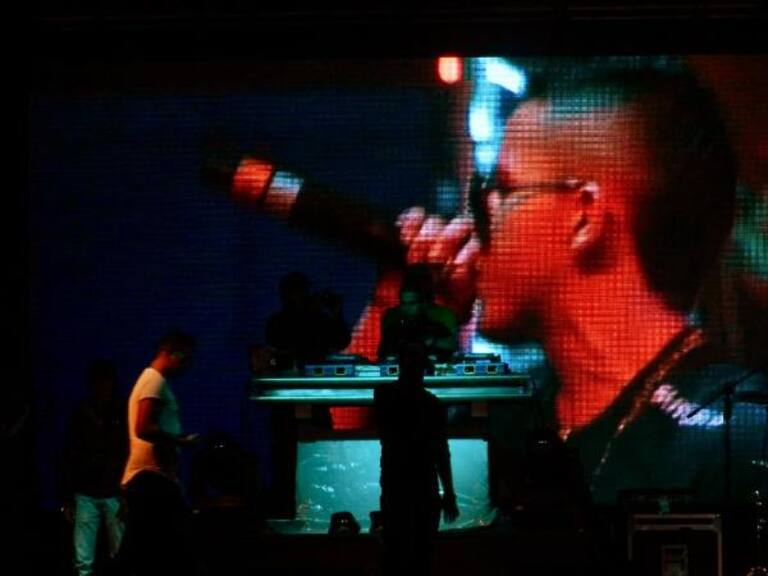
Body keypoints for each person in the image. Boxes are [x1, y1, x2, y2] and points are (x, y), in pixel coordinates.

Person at [467, 67, 767, 504]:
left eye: (502, 189)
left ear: (584, 216)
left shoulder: (736, 444)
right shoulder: (510, 420)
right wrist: (399, 309)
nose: (478, 218)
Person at [118, 330, 199, 576]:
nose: (186, 366)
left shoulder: (152, 380)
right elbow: (143, 427)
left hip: (153, 479)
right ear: (170, 353)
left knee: (148, 551)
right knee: (167, 547)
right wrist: (179, 440)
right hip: (149, 479)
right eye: (185, 359)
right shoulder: (154, 380)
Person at [374, 341, 459, 575]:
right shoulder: (432, 404)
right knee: (421, 549)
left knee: (397, 547)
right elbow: (441, 452)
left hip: (398, 479)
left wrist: (448, 493)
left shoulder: (384, 395)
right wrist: (449, 493)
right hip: (420, 480)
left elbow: (440, 450)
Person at [62, 359, 127, 576]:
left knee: (112, 555)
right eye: (100, 382)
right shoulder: (83, 413)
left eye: (105, 381)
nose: (103, 386)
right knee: (85, 559)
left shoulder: (118, 412)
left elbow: (126, 452)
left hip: (110, 490)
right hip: (89, 491)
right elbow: (70, 455)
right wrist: (68, 496)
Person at [265, 271, 351, 369]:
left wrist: (336, 315)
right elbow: (282, 345)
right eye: (301, 291)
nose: (307, 294)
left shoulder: (321, 320)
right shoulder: (277, 322)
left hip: (319, 373)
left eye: (307, 290)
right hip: (291, 373)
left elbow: (341, 343)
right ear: (288, 295)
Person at [377, 263, 459, 362]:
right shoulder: (392, 322)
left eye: (412, 303)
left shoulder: (441, 320)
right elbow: (383, 354)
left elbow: (452, 346)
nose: (407, 308)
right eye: (404, 303)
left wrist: (432, 342)